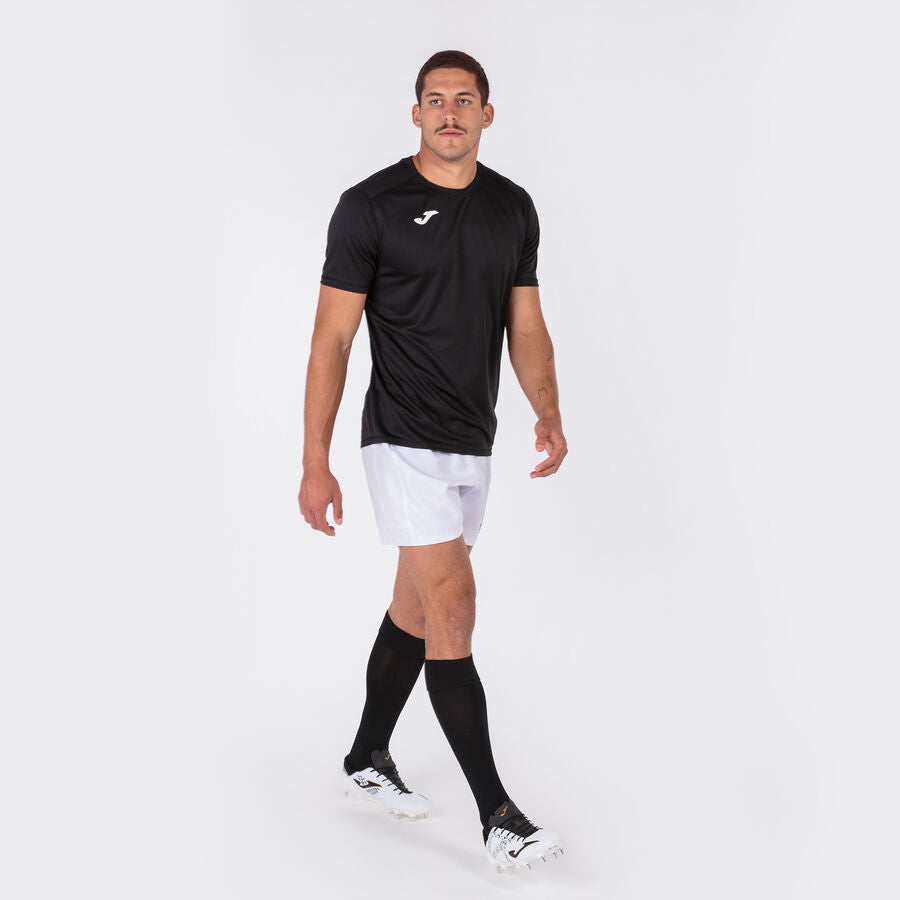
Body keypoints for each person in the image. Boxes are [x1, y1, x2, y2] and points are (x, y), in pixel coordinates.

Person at [297, 49, 568, 872]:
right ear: (415, 114)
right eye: (435, 100)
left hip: (471, 440)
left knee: (416, 610)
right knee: (454, 605)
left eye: (465, 100)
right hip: (399, 437)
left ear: (488, 114)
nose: (450, 113)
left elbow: (526, 324)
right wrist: (315, 460)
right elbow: (332, 338)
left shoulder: (512, 209)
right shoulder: (369, 207)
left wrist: (548, 409)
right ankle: (499, 818)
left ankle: (366, 756)